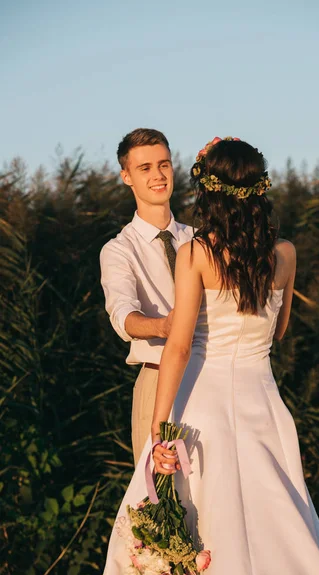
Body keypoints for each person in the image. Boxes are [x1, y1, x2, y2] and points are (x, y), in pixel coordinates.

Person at [98, 137, 319, 575]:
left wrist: (160, 434)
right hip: (265, 405)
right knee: (274, 522)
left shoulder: (196, 251)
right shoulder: (285, 254)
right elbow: (277, 332)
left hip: (200, 399)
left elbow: (177, 349)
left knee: (197, 522)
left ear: (207, 190)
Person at [100, 128, 194, 464]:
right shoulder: (118, 250)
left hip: (210, 377)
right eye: (145, 168)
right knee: (157, 502)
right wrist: (164, 326)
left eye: (163, 165)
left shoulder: (200, 239)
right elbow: (123, 316)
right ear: (126, 176)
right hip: (156, 379)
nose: (157, 175)